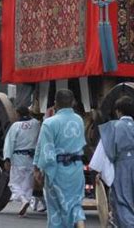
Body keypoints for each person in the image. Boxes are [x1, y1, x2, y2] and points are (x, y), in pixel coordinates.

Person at [90, 96, 134, 228]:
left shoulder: (112, 128)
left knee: (121, 200)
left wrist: (100, 171)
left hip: (120, 167)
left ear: (118, 112)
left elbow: (102, 153)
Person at [34, 89, 86, 228]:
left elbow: (46, 151)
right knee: (75, 205)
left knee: (56, 210)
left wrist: (39, 170)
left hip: (58, 170)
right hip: (76, 169)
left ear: (55, 104)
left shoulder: (49, 123)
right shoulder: (79, 120)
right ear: (73, 102)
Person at [3, 105, 40, 216]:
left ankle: (23, 200)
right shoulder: (36, 124)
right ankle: (26, 202)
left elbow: (9, 143)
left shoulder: (16, 126)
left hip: (18, 157)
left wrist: (7, 158)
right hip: (32, 158)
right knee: (28, 185)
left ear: (18, 114)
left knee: (14, 183)